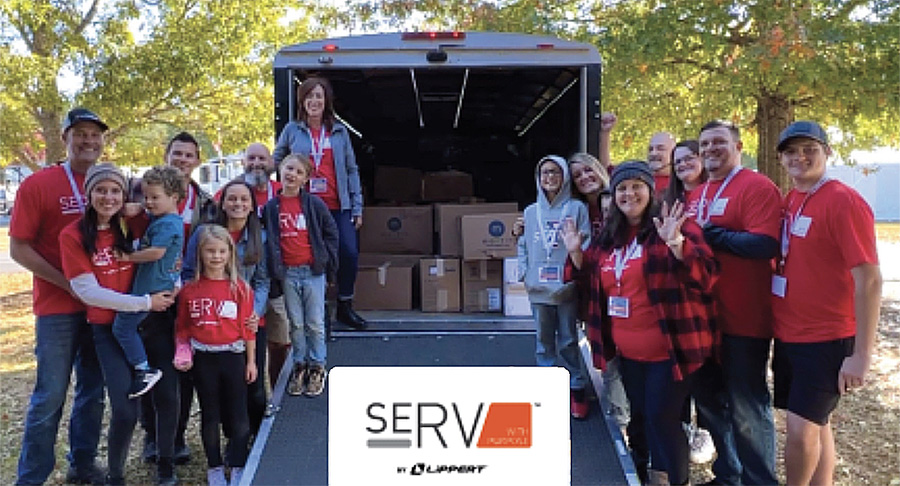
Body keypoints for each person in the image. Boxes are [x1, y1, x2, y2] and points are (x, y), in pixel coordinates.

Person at [563, 161, 719, 486]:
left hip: (672, 349)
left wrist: (676, 244)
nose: (629, 193)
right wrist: (576, 253)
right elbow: (588, 279)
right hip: (630, 352)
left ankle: (673, 480)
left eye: (636, 186)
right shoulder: (609, 238)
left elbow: (707, 274)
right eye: (622, 188)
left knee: (663, 419)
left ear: (650, 190)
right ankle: (651, 475)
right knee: (645, 418)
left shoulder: (675, 226)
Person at [772, 121, 882, 486]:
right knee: (818, 424)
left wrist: (861, 355)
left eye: (809, 150)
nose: (799, 158)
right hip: (791, 334)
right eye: (790, 152)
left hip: (827, 338)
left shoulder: (843, 200)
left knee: (800, 432)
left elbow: (869, 280)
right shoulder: (792, 199)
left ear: (827, 152)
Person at [59, 163, 177, 485]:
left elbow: (167, 250)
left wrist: (174, 282)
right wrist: (144, 302)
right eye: (101, 190)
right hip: (109, 329)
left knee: (165, 395)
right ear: (89, 194)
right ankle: (116, 476)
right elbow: (89, 293)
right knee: (125, 410)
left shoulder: (131, 223)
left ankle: (166, 464)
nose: (108, 197)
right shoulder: (72, 236)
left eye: (115, 191)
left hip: (150, 321)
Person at [10, 108, 108, 485]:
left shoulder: (110, 183)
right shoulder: (39, 185)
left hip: (100, 308)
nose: (88, 141)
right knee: (50, 396)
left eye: (94, 135)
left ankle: (82, 464)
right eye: (80, 134)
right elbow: (19, 248)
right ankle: (32, 476)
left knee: (92, 392)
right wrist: (68, 283)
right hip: (57, 309)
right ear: (66, 138)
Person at [688, 120, 782, 486]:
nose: (710, 149)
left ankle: (760, 481)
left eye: (719, 142)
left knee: (747, 407)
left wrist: (717, 237)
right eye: (705, 143)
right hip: (703, 320)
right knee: (709, 401)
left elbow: (765, 244)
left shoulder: (756, 186)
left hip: (745, 317)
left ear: (738, 145)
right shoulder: (697, 195)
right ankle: (729, 474)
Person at [139, 131, 216, 466]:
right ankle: (151, 436)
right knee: (148, 367)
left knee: (181, 368)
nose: (182, 159)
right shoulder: (144, 197)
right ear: (166, 154)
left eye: (188, 155)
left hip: (187, 296)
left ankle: (177, 435)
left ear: (197, 160)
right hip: (150, 295)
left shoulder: (206, 203)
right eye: (177, 153)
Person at [272, 76, 366, 330]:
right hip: (306, 206)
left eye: (319, 96)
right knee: (312, 257)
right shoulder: (292, 130)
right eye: (310, 96)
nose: (314, 101)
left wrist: (357, 206)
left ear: (327, 101)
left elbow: (351, 168)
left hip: (338, 205)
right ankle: (319, 311)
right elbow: (277, 160)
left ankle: (345, 305)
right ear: (302, 100)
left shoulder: (339, 131)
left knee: (348, 252)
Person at [184, 179, 271, 434]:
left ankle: (257, 437)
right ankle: (231, 438)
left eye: (244, 199)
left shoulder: (260, 237)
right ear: (222, 203)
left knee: (253, 384)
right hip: (214, 323)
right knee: (220, 387)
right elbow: (190, 274)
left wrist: (255, 311)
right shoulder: (204, 234)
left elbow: (263, 280)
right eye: (232, 198)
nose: (238, 204)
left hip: (249, 322)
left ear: (253, 205)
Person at [174, 225, 257, 486]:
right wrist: (183, 351)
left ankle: (238, 463)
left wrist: (252, 361)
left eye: (222, 251)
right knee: (210, 413)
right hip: (204, 359)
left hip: (233, 356)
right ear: (200, 253)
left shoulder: (240, 289)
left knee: (238, 414)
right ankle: (214, 466)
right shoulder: (189, 290)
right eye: (210, 251)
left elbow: (247, 329)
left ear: (230, 254)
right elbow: (182, 327)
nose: (216, 257)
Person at [517, 155, 592, 419]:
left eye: (555, 173)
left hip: (566, 287)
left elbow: (587, 244)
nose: (549, 177)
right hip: (538, 288)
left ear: (565, 177)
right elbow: (523, 245)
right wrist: (524, 272)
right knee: (543, 340)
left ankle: (576, 386)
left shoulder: (576, 208)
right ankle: (546, 387)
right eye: (544, 173)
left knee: (569, 340)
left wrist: (576, 269)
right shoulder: (529, 211)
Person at [263, 154, 339, 397]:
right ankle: (300, 364)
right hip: (288, 273)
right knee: (295, 323)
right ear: (280, 170)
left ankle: (317, 365)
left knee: (314, 322)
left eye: (298, 172)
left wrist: (327, 263)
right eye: (288, 169)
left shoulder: (314, 205)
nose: (292, 174)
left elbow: (330, 233)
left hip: (312, 271)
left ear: (305, 179)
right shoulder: (271, 207)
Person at [664, 140, 716, 465]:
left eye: (689, 158)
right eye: (677, 161)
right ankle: (681, 455)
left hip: (716, 300)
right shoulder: (672, 203)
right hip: (683, 308)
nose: (683, 164)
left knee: (713, 393)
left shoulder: (716, 193)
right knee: (680, 388)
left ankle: (724, 466)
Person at [113, 165, 185, 399]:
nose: (149, 203)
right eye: (146, 197)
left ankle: (143, 369)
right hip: (157, 284)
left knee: (123, 327)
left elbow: (156, 253)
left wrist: (128, 257)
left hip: (151, 288)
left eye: (155, 197)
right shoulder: (162, 219)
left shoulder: (167, 224)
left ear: (174, 197)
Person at [227, 142, 291, 390]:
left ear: (271, 163)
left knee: (279, 342)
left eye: (262, 158)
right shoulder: (229, 193)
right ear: (243, 162)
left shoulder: (283, 191)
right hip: (242, 279)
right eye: (251, 158)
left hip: (277, 280)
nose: (256, 163)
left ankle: (277, 394)